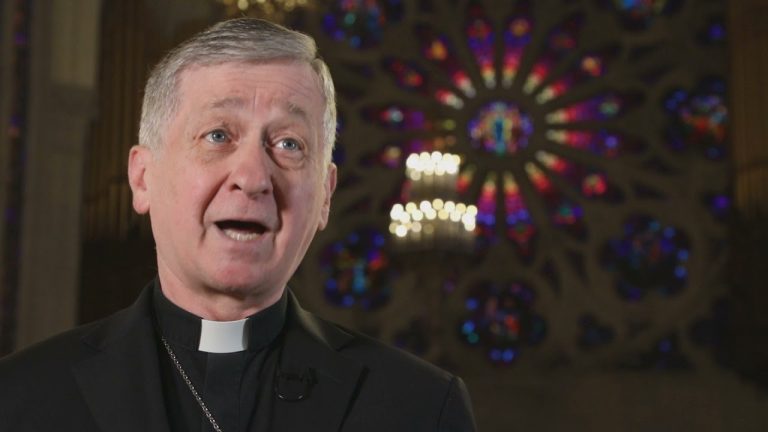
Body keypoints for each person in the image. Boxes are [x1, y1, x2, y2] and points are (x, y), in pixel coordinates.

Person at [0, 18, 476, 431]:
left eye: (289, 144)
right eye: (218, 135)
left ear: (326, 196)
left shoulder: (418, 408)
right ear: (143, 178)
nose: (253, 178)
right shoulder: (22, 398)